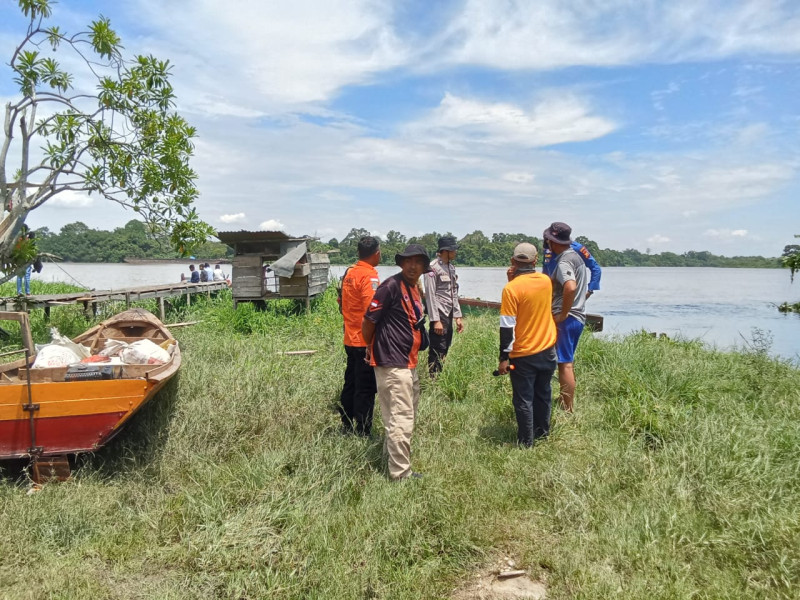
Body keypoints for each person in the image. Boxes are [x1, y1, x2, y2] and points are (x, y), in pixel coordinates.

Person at [362, 244, 430, 480]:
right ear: (401, 263)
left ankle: (390, 461)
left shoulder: (412, 288)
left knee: (399, 416)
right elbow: (369, 320)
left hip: (408, 361)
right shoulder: (390, 286)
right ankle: (400, 474)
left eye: (418, 262)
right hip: (393, 363)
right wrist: (370, 347)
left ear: (423, 267)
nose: (413, 266)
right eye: (408, 261)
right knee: (401, 418)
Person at [497, 243, 557, 446]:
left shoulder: (511, 289)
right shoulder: (546, 282)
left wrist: (504, 357)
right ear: (535, 260)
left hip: (523, 353)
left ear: (513, 261)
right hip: (548, 349)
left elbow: (507, 327)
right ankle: (542, 434)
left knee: (523, 399)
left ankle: (526, 442)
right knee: (543, 393)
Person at [542, 222, 588, 413]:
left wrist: (562, 314)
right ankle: (564, 400)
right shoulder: (576, 257)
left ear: (552, 241)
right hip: (578, 317)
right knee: (566, 362)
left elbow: (570, 286)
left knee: (564, 364)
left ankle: (567, 409)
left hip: (567, 320)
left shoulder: (563, 262)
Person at [339, 236, 381, 436]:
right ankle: (363, 430)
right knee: (365, 387)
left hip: (349, 337)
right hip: (364, 340)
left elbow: (342, 303)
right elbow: (372, 311)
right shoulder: (369, 276)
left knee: (351, 382)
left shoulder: (349, 273)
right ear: (377, 253)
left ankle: (346, 423)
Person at [424, 235, 464, 377]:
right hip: (439, 313)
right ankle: (433, 378)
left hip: (449, 313)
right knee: (437, 347)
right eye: (453, 250)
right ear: (446, 251)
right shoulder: (432, 268)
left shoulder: (451, 268)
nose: (455, 252)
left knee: (446, 345)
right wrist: (435, 320)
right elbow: (430, 295)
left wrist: (458, 316)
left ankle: (439, 376)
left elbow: (453, 292)